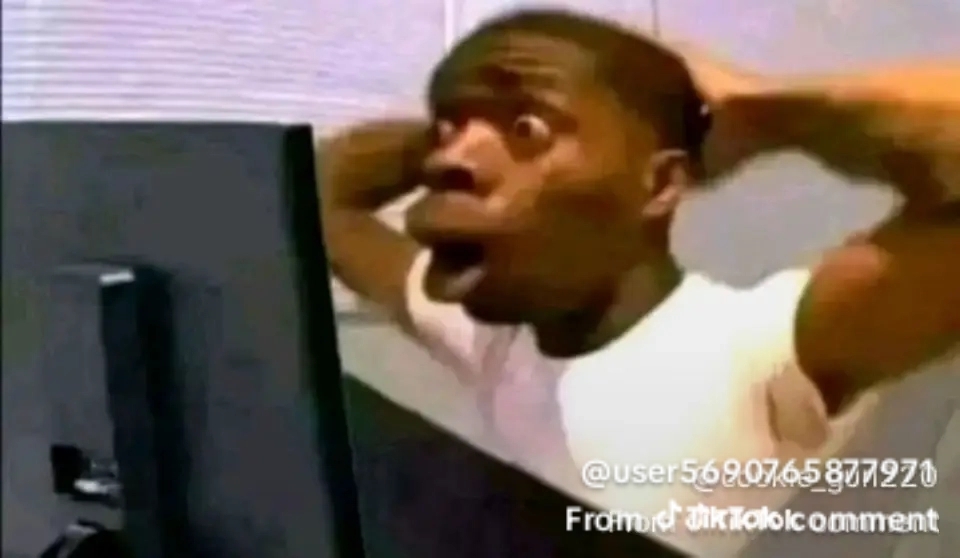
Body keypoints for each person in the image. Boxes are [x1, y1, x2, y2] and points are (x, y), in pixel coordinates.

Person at [319, 8, 959, 556]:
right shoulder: (497, 343)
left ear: (658, 184)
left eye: (527, 130)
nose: (448, 161)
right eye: (449, 131)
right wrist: (458, 128)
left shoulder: (754, 353)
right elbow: (324, 197)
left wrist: (766, 112)